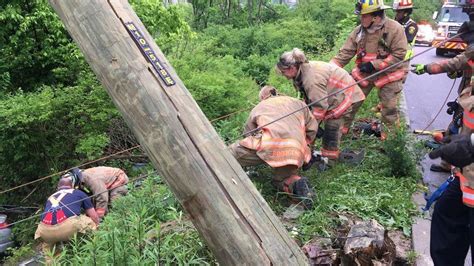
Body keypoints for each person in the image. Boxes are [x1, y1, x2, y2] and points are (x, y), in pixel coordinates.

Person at [229, 86, 318, 208]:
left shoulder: (260, 107)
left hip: (268, 146)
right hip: (294, 150)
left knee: (229, 155)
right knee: (285, 178)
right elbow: (313, 128)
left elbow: (248, 134)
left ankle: (225, 177)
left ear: (262, 97)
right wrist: (305, 147)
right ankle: (297, 184)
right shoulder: (298, 103)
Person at [330, 0, 407, 140]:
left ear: (376, 17)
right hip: (364, 74)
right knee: (350, 103)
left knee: (389, 109)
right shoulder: (359, 31)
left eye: (364, 16)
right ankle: (341, 133)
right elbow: (344, 54)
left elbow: (399, 55)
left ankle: (390, 141)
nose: (361, 19)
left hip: (389, 74)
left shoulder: (395, 29)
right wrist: (328, 69)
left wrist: (374, 65)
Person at [276, 48, 365, 163]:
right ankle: (314, 153)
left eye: (284, 72)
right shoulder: (303, 70)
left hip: (346, 97)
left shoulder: (311, 80)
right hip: (334, 94)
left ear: (292, 68)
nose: (284, 76)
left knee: (332, 128)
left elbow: (319, 107)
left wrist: (312, 126)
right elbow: (310, 99)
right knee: (318, 124)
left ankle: (329, 160)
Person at [411, 23, 474, 173]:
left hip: (470, 102)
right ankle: (447, 164)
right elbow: (464, 67)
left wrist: (427, 68)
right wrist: (459, 73)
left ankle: (461, 171)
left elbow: (455, 62)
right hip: (466, 96)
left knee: (465, 137)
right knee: (453, 128)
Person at [34, 177, 99, 254]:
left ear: (58, 187)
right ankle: (96, 249)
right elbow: (94, 216)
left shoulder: (50, 197)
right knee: (90, 222)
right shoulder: (78, 193)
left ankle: (51, 261)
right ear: (72, 186)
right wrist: (97, 226)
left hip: (45, 230)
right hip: (68, 227)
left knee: (49, 250)